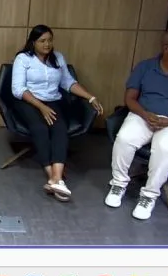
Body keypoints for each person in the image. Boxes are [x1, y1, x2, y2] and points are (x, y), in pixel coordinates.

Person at [105, 29, 168, 220]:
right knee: (124, 139)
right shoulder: (145, 67)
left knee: (164, 146)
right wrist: (145, 115)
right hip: (143, 116)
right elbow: (130, 98)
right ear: (166, 48)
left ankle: (149, 195)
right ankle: (118, 183)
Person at [11, 25, 104, 202]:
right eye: (42, 41)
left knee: (60, 129)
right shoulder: (23, 59)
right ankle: (54, 177)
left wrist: (90, 97)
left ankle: (56, 179)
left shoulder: (58, 58)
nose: (47, 44)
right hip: (28, 101)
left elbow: (68, 82)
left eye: (49, 40)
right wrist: (41, 107)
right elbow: (18, 89)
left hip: (53, 100)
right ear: (33, 42)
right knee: (40, 129)